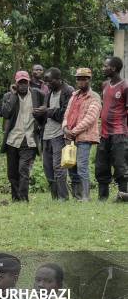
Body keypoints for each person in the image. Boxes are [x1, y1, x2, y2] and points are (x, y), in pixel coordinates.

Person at [1, 71, 46, 202]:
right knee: (12, 173)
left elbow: (45, 109)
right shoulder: (9, 96)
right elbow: (6, 113)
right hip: (13, 139)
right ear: (16, 83)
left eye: (25, 82)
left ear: (29, 82)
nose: (23, 85)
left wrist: (41, 115)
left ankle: (23, 198)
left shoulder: (38, 94)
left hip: (30, 139)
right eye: (20, 82)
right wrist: (13, 95)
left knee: (23, 170)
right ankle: (15, 198)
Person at [62, 68, 102, 202]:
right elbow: (67, 113)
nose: (81, 81)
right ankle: (77, 196)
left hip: (84, 137)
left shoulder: (94, 97)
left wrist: (73, 131)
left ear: (89, 79)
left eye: (84, 78)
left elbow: (90, 118)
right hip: (70, 136)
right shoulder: (74, 95)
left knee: (82, 166)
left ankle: (86, 196)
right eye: (79, 78)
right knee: (71, 165)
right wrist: (65, 127)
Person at [38, 68, 75, 201]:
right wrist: (38, 114)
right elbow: (46, 114)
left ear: (59, 79)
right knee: (47, 168)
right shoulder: (49, 93)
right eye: (46, 81)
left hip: (60, 134)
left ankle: (63, 197)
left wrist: (47, 111)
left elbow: (67, 113)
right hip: (46, 135)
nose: (47, 84)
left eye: (49, 81)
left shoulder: (68, 91)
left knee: (59, 167)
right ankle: (55, 197)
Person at [96, 56, 127, 201]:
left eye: (105, 66)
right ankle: (102, 197)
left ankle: (123, 195)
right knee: (101, 166)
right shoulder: (104, 85)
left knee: (120, 166)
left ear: (113, 68)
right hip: (104, 133)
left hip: (119, 133)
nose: (103, 68)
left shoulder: (125, 86)